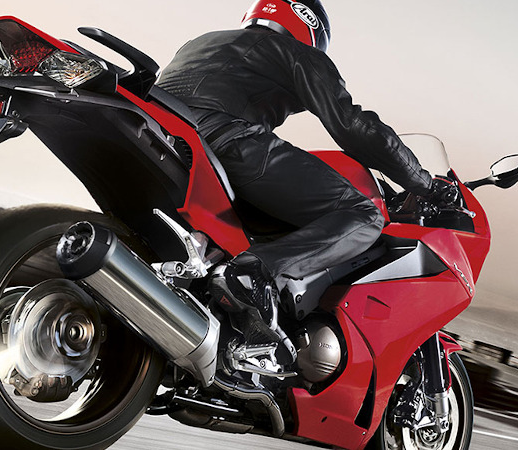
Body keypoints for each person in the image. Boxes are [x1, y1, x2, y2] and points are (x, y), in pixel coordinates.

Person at [156, 0, 458, 353]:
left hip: (169, 140)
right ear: (311, 28)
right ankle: (250, 275)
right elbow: (354, 126)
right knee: (363, 214)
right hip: (226, 141)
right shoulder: (294, 51)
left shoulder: (204, 41)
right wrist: (422, 182)